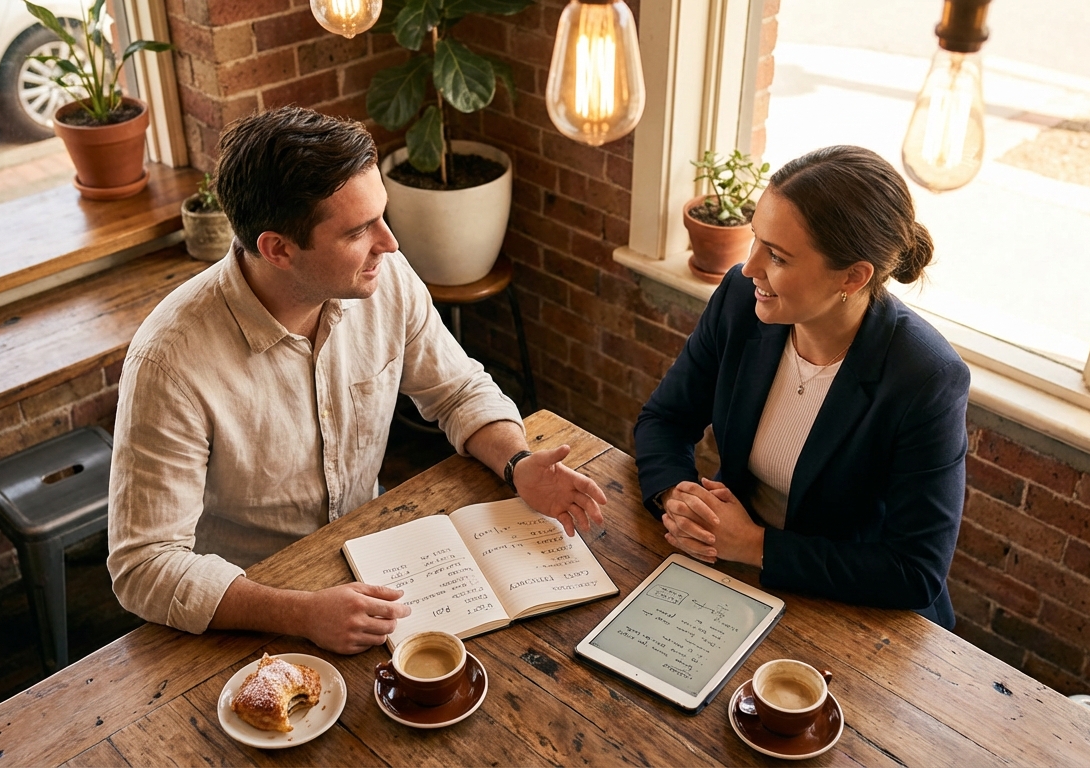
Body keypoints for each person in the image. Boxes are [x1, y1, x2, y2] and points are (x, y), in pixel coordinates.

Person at [108, 107, 607, 654]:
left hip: (374, 556)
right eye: (358, 230)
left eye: (381, 216)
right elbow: (144, 566)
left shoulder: (382, 277)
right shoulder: (169, 364)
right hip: (250, 604)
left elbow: (457, 389)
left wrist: (518, 462)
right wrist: (300, 613)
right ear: (278, 248)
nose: (390, 243)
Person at [634, 145, 970, 629]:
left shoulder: (927, 378)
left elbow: (914, 571)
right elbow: (665, 420)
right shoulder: (738, 298)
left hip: (858, 615)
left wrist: (754, 545)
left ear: (853, 277)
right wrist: (678, 497)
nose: (750, 267)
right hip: (734, 578)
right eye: (756, 239)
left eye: (778, 257)